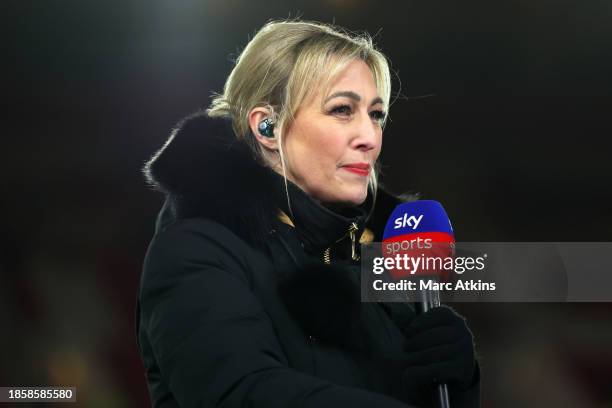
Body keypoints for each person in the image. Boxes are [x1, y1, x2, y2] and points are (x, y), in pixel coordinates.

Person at [136, 19, 480, 407]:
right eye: (342, 110)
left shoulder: (378, 261)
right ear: (267, 127)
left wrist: (460, 383)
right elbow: (244, 393)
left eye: (376, 114)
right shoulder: (194, 252)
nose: (369, 137)